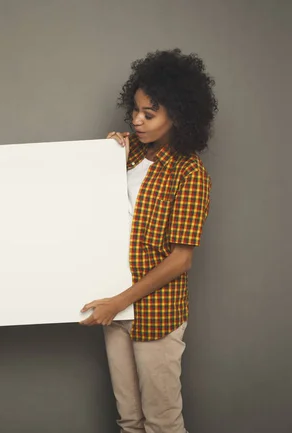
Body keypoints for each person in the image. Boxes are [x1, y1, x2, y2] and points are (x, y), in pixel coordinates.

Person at [80, 49, 217, 433]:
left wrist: (119, 303)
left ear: (178, 115)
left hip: (155, 311)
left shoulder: (190, 173)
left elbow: (180, 260)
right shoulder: (129, 153)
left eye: (149, 114)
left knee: (162, 423)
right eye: (136, 111)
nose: (137, 121)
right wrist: (105, 156)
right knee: (129, 421)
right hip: (115, 305)